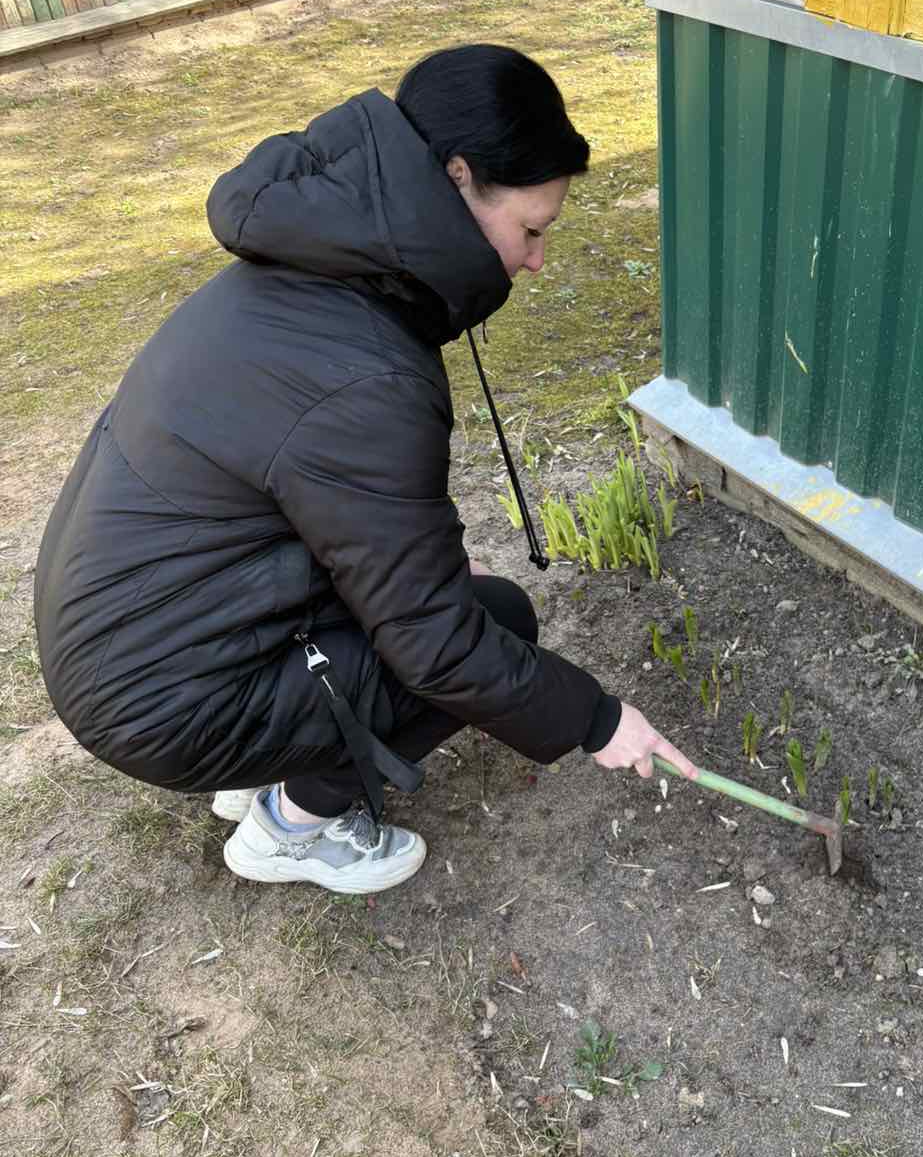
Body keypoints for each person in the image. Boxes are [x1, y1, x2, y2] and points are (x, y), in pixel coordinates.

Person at [34, 44, 696, 896]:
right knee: (494, 626)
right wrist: (597, 718)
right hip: (160, 699)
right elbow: (438, 651)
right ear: (457, 178)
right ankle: (288, 827)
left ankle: (267, 749)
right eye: (531, 231)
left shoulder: (308, 268)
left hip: (131, 630)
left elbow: (313, 507)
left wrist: (432, 577)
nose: (536, 261)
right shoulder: (366, 376)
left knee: (471, 604)